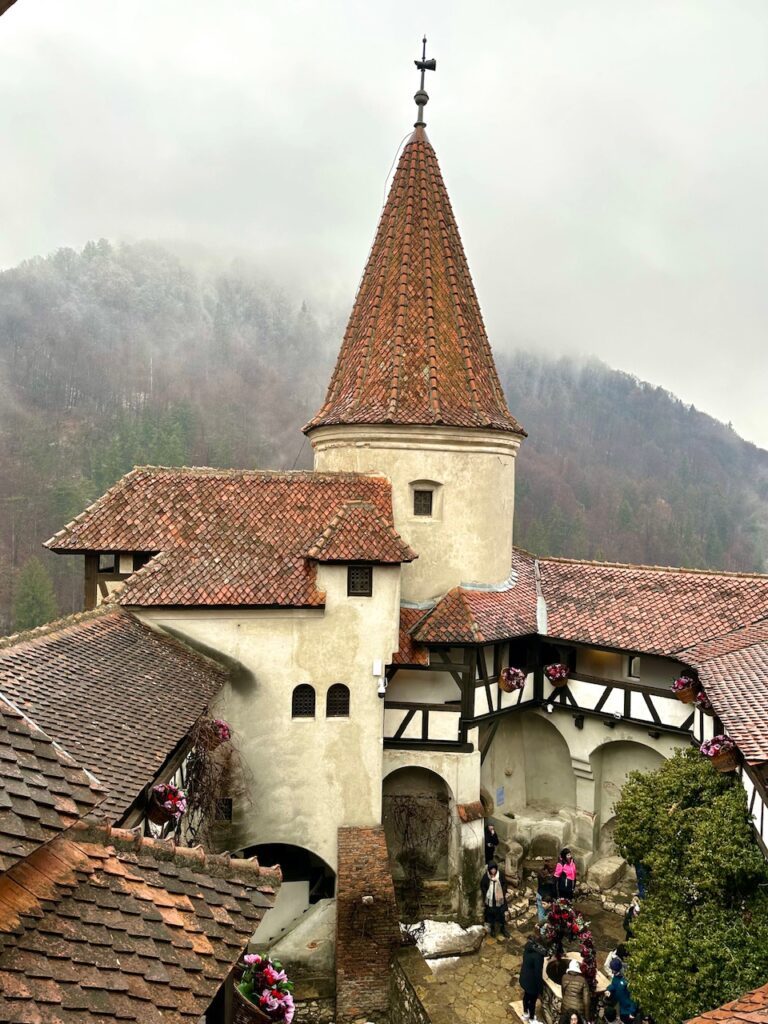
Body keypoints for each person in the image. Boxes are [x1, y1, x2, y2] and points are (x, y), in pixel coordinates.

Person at [518, 930, 548, 1022]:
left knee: (526, 996)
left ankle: (525, 1013)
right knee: (532, 1001)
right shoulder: (538, 956)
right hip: (531, 982)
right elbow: (537, 974)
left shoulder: (528, 947)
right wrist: (540, 989)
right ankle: (531, 1019)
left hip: (524, 977)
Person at [480, 861, 509, 938]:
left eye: (494, 869)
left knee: (501, 914)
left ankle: (503, 929)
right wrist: (487, 894)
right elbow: (483, 886)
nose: (493, 871)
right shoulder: (486, 877)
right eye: (491, 869)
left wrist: (502, 892)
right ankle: (493, 929)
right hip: (491, 901)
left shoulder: (500, 875)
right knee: (491, 915)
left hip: (499, 899)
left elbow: (505, 884)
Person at [607, 960, 638, 1024]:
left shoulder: (628, 980)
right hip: (622, 1009)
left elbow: (635, 997)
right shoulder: (616, 976)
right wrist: (609, 990)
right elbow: (614, 984)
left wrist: (632, 1012)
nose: (612, 972)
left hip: (628, 1011)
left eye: (613, 970)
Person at [560, 959, 591, 1024]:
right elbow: (586, 1001)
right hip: (578, 1011)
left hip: (565, 1008)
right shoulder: (583, 980)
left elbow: (563, 993)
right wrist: (587, 1018)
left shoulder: (564, 977)